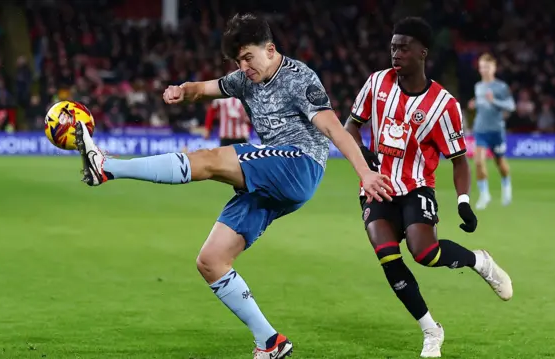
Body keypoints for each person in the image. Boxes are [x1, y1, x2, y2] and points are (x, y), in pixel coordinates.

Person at [73, 12, 392, 359]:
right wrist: (183, 90)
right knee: (211, 260)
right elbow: (207, 89)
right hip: (271, 180)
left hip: (299, 164)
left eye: (248, 57)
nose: (244, 66)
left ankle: (107, 167)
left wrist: (365, 172)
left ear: (270, 49)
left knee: (209, 160)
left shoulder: (300, 79)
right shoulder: (244, 78)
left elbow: (333, 128)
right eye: (238, 60)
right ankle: (269, 341)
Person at [344, 17, 513, 358]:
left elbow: (460, 159)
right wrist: (365, 163)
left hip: (417, 186)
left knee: (425, 253)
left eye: (404, 48)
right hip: (378, 186)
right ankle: (431, 331)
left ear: (422, 53)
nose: (396, 54)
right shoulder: (377, 83)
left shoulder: (443, 104)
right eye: (393, 47)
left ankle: (479, 261)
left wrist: (463, 201)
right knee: (387, 255)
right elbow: (351, 126)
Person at [467, 53, 516, 209]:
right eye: (481, 67)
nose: (484, 70)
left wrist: (493, 100)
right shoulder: (478, 86)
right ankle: (484, 195)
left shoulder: (501, 87)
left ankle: (507, 187)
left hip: (496, 130)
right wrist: (475, 104)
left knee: (499, 162)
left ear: (494, 68)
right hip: (481, 129)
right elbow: (483, 105)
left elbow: (511, 106)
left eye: (487, 67)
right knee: (479, 162)